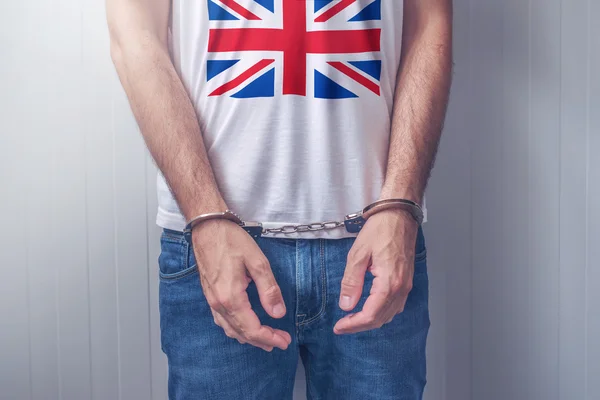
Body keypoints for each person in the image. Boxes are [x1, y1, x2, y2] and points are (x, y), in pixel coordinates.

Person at [107, 0, 452, 398]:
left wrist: (400, 207)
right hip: (217, 242)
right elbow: (135, 38)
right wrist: (206, 218)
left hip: (377, 240)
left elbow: (430, 27)